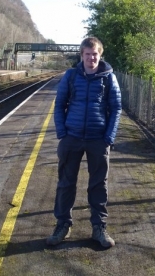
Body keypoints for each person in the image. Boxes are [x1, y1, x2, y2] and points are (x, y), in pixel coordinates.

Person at [47, 37, 122, 248]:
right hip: (71, 138)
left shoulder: (108, 78)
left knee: (99, 185)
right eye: (87, 54)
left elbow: (116, 108)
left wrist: (109, 137)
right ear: (82, 55)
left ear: (100, 55)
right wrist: (62, 132)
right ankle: (63, 225)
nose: (91, 58)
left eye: (95, 54)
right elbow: (59, 104)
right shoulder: (71, 76)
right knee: (65, 183)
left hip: (98, 139)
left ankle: (99, 227)